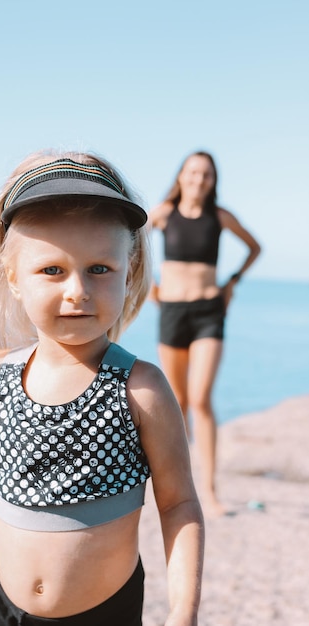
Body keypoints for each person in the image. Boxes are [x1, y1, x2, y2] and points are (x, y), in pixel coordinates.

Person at [0, 151, 204, 626]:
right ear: (14, 278)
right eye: (52, 270)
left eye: (99, 268)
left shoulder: (138, 388)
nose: (77, 290)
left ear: (130, 269)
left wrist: (183, 612)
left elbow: (179, 503)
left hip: (105, 613)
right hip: (4, 607)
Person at [149, 151, 261, 518]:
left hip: (209, 312)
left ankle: (210, 492)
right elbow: (131, 243)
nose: (199, 179)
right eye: (193, 172)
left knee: (200, 399)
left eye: (206, 174)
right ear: (181, 175)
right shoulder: (164, 213)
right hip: (172, 312)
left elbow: (254, 247)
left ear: (213, 181)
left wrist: (232, 283)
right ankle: (178, 487)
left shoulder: (220, 216)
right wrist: (146, 284)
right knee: (177, 402)